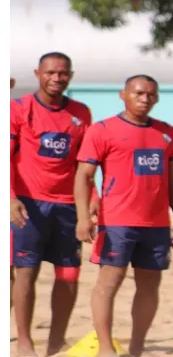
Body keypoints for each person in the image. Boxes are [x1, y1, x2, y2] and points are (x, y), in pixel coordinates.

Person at [74, 75, 173, 357]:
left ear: (157, 98)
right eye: (138, 93)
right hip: (116, 223)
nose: (144, 99)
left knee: (150, 285)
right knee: (108, 284)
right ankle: (105, 348)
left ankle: (137, 348)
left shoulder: (167, 133)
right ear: (123, 95)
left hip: (157, 224)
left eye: (151, 94)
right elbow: (83, 176)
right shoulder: (102, 130)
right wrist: (83, 217)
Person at [10, 52, 98, 357]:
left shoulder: (81, 114)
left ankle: (55, 343)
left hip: (68, 206)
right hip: (28, 205)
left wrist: (94, 200)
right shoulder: (18, 108)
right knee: (26, 271)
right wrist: (9, 198)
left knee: (69, 274)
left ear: (70, 76)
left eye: (63, 73)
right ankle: (24, 343)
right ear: (37, 74)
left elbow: (85, 165)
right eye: (50, 73)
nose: (57, 78)